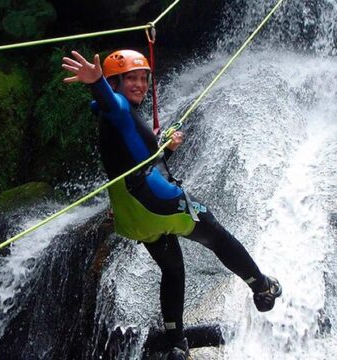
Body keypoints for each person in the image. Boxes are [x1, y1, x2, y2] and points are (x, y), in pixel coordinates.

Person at [62, 49, 282, 360]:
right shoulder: (117, 107)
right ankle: (262, 287)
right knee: (217, 235)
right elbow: (114, 104)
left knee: (173, 269)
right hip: (157, 201)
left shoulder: (113, 121)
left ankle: (177, 344)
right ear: (115, 83)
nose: (138, 84)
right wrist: (96, 81)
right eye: (130, 79)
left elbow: (139, 159)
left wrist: (166, 149)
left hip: (132, 215)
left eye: (142, 78)